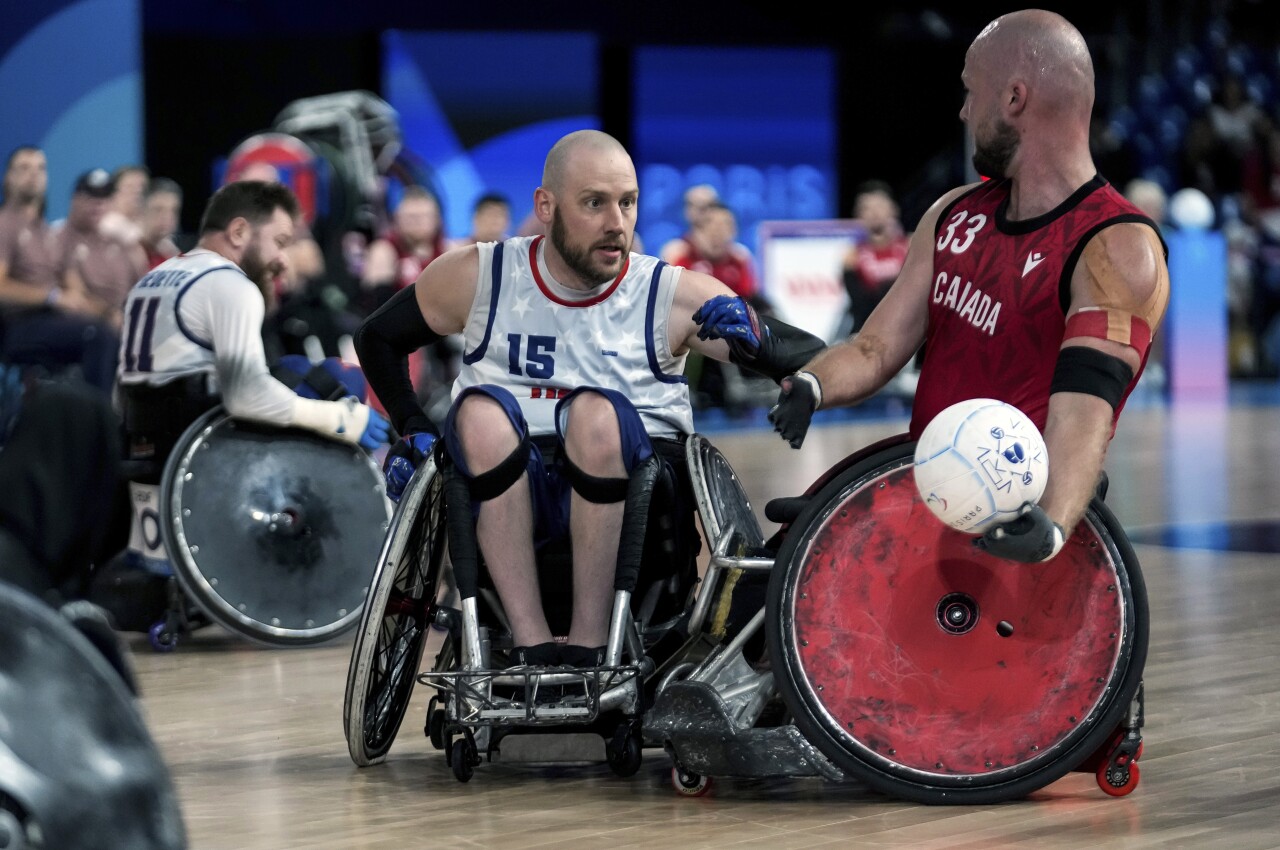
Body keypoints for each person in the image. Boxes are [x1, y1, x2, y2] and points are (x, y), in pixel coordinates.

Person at [354, 129, 824, 668]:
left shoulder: (670, 294)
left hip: (637, 492)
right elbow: (377, 337)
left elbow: (810, 353)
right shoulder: (483, 275)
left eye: (627, 202)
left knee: (594, 414)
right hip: (504, 477)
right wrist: (411, 423)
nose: (616, 223)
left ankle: (589, 642)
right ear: (546, 207)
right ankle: (530, 643)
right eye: (594, 203)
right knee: (477, 414)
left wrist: (760, 341)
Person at [768, 9, 1170, 565]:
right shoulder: (952, 215)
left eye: (969, 91)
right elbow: (873, 349)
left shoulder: (1116, 246)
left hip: (1017, 509)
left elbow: (1083, 411)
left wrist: (1051, 522)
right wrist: (812, 384)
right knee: (757, 601)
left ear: (1013, 99)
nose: (962, 111)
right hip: (927, 486)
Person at [113, 180, 391, 591]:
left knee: (296, 368)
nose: (282, 259)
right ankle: (332, 565)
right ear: (240, 232)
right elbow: (247, 397)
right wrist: (341, 418)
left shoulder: (155, 277)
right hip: (200, 436)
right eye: (279, 242)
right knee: (339, 381)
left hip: (145, 435)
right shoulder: (229, 284)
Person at [0, 146, 119, 393]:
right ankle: (97, 424)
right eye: (24, 168)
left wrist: (110, 315)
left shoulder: (47, 233)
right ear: (8, 178)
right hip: (17, 326)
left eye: (40, 168)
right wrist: (50, 296)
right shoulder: (5, 224)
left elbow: (74, 291)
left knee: (113, 334)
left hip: (53, 322)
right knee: (96, 336)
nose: (33, 174)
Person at [665, 199, 767, 411]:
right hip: (691, 327)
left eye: (726, 226)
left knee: (763, 315)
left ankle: (772, 379)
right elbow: (672, 299)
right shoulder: (680, 254)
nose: (720, 232)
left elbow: (750, 298)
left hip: (732, 328)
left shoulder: (739, 258)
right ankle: (687, 390)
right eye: (715, 225)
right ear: (700, 229)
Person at [56, 168, 149, 332]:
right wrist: (109, 316)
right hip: (90, 327)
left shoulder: (119, 239)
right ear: (75, 199)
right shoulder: (59, 238)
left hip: (128, 322)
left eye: (105, 197)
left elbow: (142, 285)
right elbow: (72, 296)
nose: (99, 203)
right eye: (91, 196)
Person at [842, 180, 910, 333]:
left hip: (907, 330)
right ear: (858, 215)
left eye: (879, 206)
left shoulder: (911, 247)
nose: (874, 213)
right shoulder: (852, 257)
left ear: (893, 209)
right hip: (868, 331)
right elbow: (861, 308)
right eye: (866, 208)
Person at [659, 183, 719, 265]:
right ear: (687, 211)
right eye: (702, 208)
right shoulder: (674, 252)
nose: (708, 213)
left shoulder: (737, 254)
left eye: (712, 206)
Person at [139, 176, 185, 270]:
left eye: (173, 210)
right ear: (142, 211)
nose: (167, 217)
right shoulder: (124, 252)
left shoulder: (176, 257)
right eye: (158, 210)